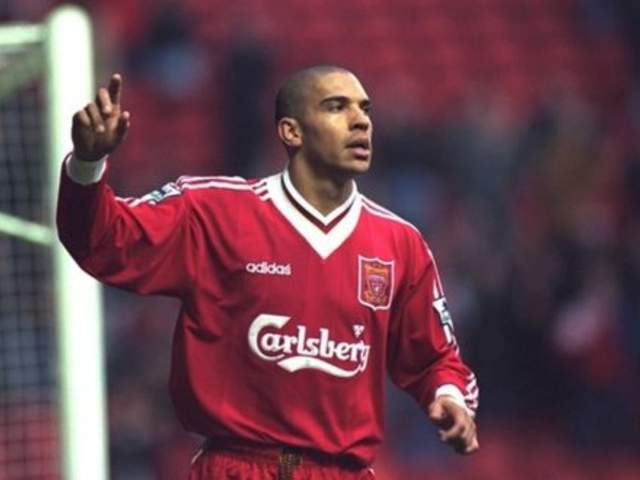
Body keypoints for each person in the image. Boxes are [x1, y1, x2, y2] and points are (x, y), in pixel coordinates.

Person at [57, 66, 479, 480]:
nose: (360, 121)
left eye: (364, 109)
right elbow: (103, 241)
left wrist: (450, 397)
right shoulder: (212, 210)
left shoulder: (400, 243)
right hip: (235, 467)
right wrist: (87, 164)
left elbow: (435, 359)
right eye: (337, 107)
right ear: (291, 132)